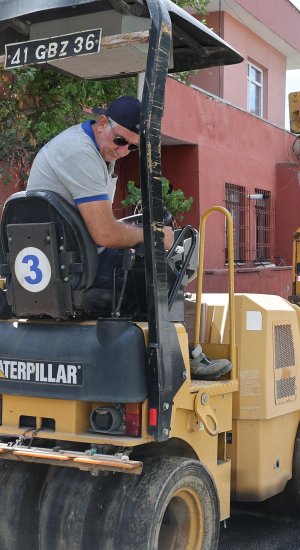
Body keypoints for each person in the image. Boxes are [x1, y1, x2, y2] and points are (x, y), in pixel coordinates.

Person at [25, 96, 230, 380]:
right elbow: (105, 233)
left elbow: (95, 225)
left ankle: (156, 356)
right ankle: (180, 362)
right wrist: (157, 237)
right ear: (102, 123)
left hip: (65, 257)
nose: (123, 151)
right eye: (120, 141)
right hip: (71, 267)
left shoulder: (92, 150)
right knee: (161, 275)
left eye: (132, 147)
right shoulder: (80, 154)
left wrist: (136, 233)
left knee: (143, 262)